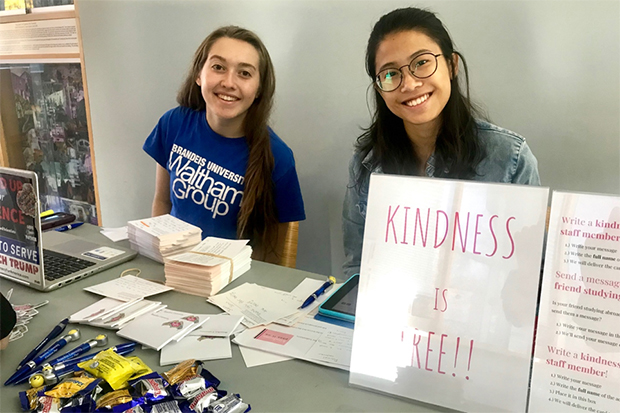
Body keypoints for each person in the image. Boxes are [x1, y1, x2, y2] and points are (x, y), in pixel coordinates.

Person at [342, 7, 540, 277]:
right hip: (393, 316)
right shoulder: (365, 164)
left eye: (421, 62)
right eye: (390, 74)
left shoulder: (510, 159)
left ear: (452, 65)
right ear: (379, 89)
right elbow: (357, 268)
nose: (409, 84)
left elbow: (529, 276)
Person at [144, 26, 305, 263]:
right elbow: (163, 201)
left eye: (245, 73)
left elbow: (275, 254)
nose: (229, 83)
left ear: (259, 88)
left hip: (233, 285)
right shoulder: (174, 123)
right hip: (173, 270)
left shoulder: (277, 157)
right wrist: (157, 258)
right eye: (218, 67)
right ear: (199, 75)